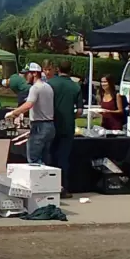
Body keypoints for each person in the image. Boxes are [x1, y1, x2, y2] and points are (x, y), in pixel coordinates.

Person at [46, 60, 82, 198]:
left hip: (51, 124)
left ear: (57, 69)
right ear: (70, 69)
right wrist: (70, 116)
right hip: (68, 126)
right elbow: (79, 111)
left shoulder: (50, 85)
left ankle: (49, 187)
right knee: (63, 158)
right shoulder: (75, 87)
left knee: (50, 156)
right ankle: (63, 188)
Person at [7, 62, 55, 165]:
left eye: (27, 74)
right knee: (46, 159)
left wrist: (13, 113)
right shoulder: (48, 87)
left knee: (34, 159)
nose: (25, 77)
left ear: (34, 73)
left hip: (39, 126)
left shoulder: (35, 88)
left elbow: (29, 104)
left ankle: (37, 181)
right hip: (50, 125)